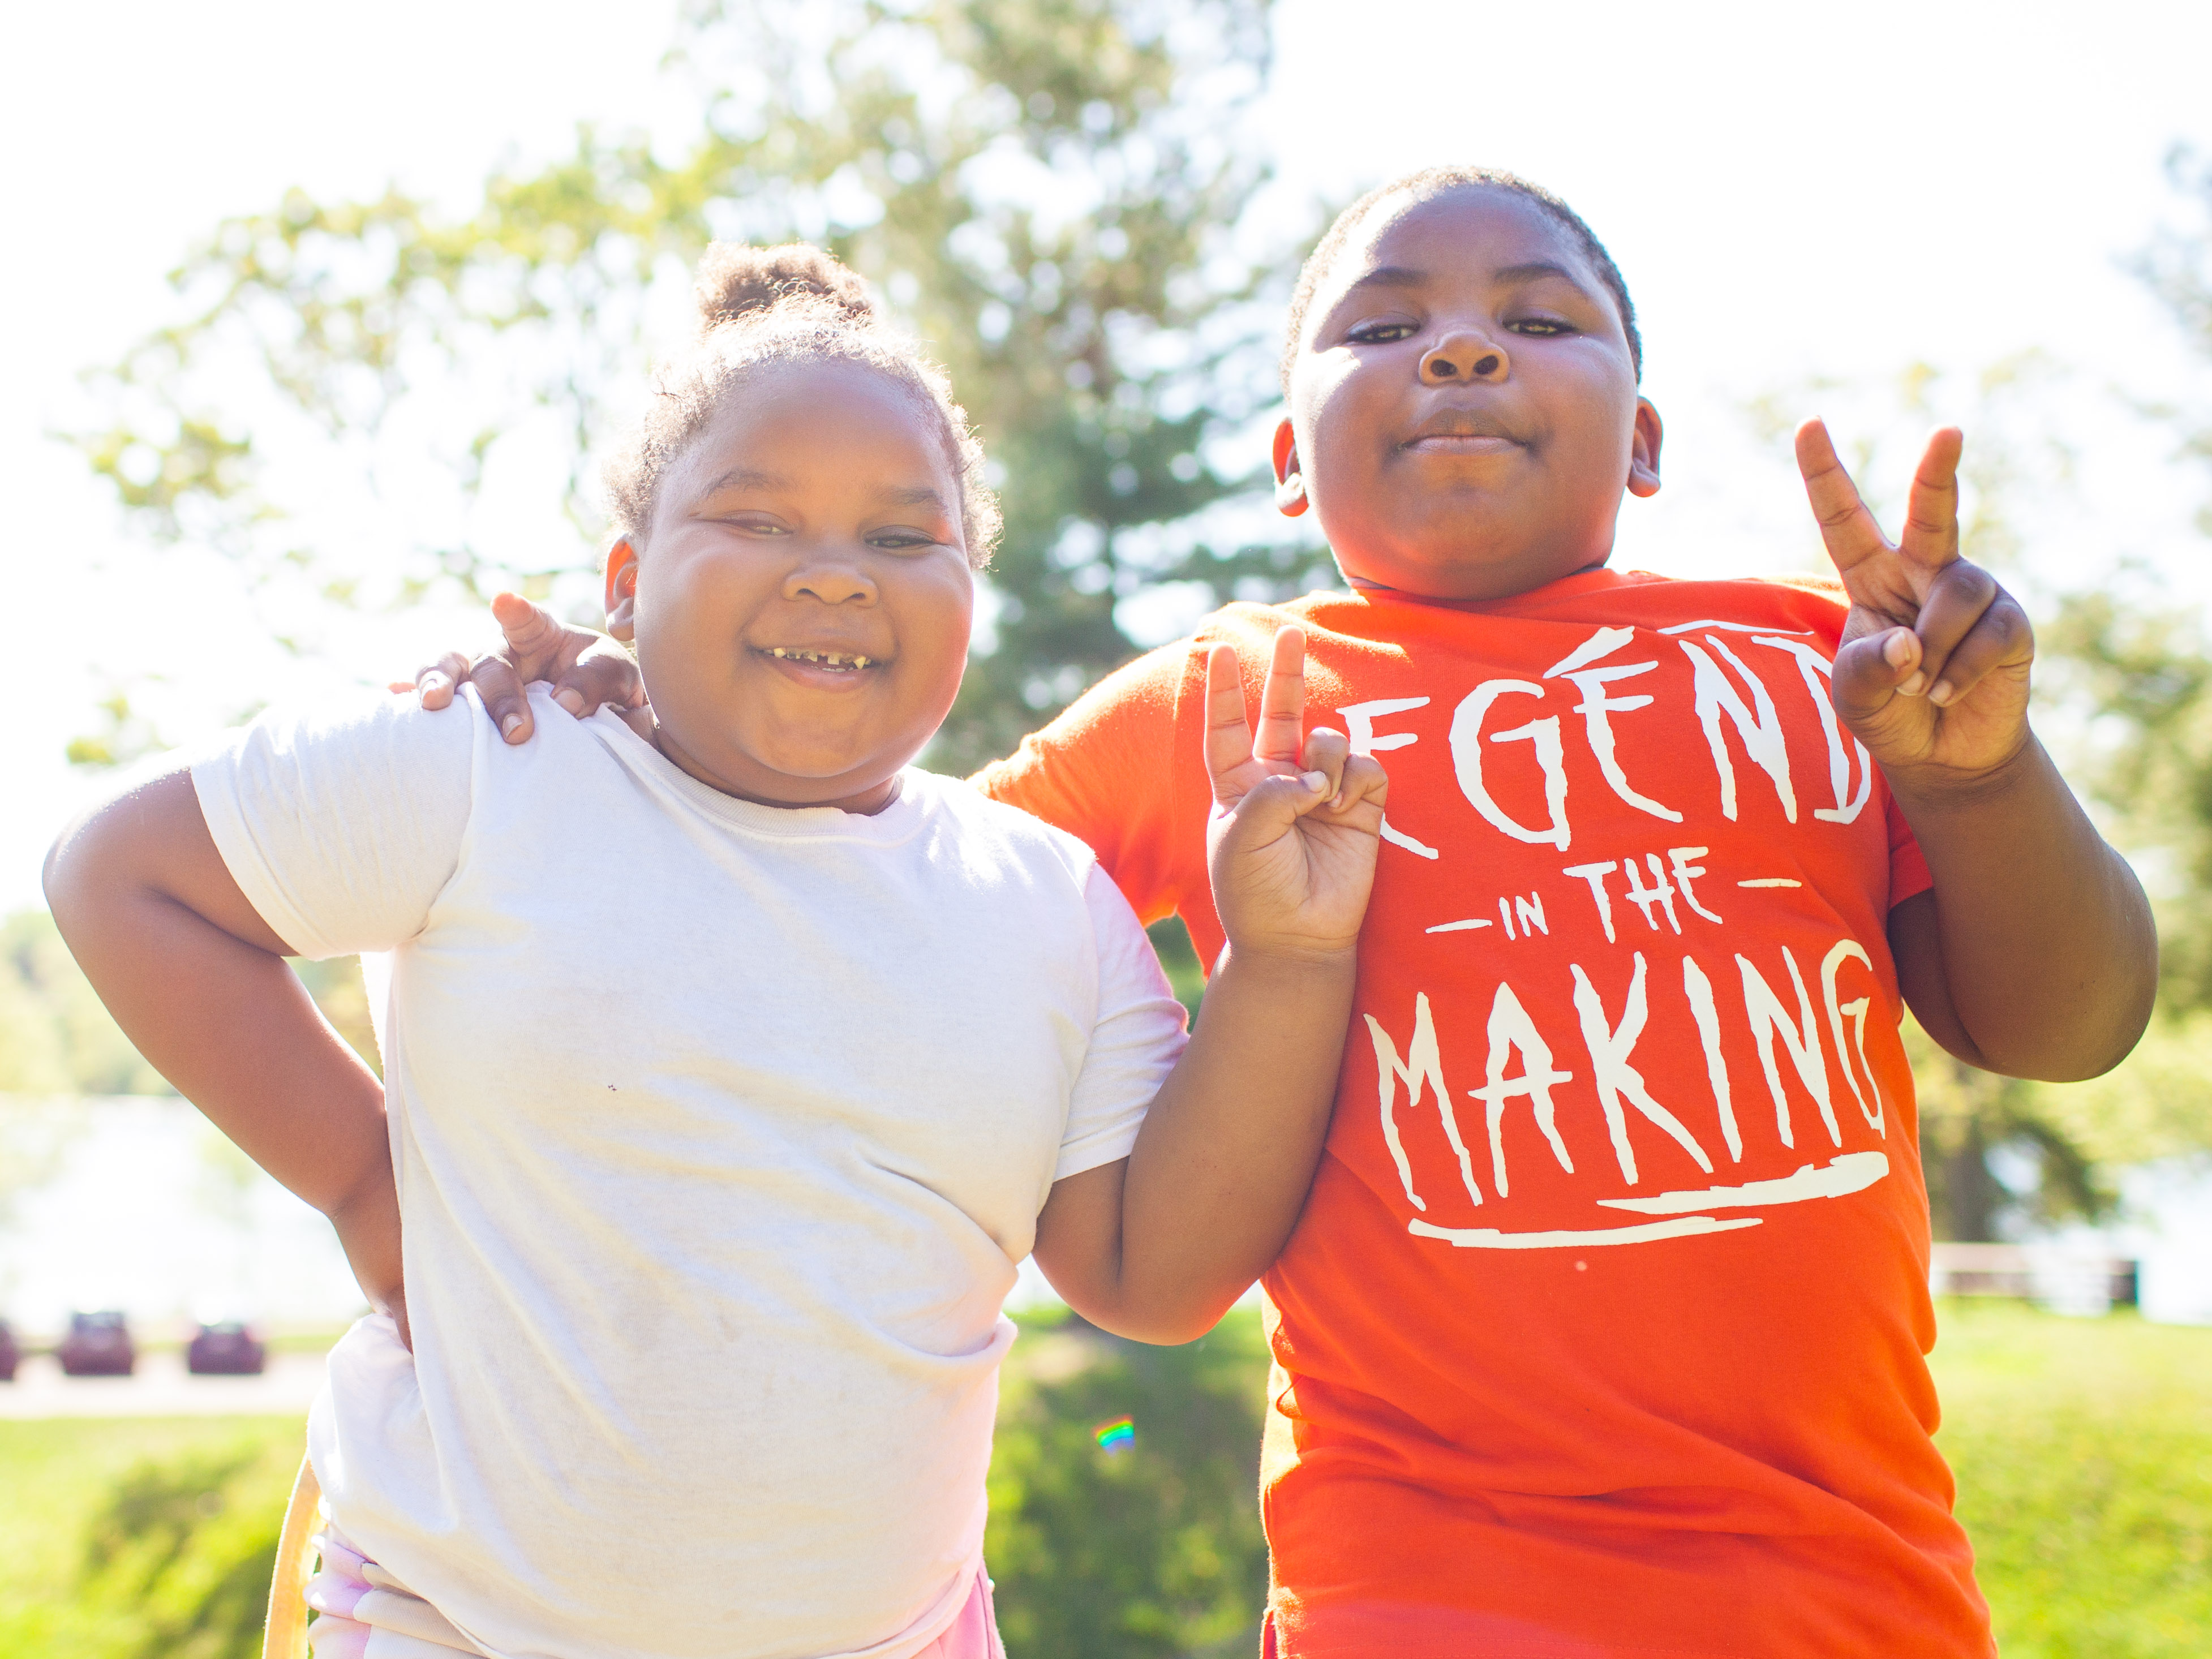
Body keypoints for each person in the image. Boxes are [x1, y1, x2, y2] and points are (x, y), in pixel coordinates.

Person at [410, 171, 2157, 1656]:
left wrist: (1976, 778)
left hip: (1849, 1591)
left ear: (1639, 439)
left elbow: (2063, 1026)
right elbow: (863, 871)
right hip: (1416, 1586)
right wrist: (652, 698)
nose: (1460, 344)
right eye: (1381, 323)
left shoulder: (1818, 663)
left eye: (1535, 318)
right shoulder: (1221, 705)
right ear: (1280, 462)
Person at [43, 244, 1389, 1659]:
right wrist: (366, 1179)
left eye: (899, 537)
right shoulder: (494, 761)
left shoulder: (1043, 902)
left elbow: (1148, 1276)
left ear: (968, 585)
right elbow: (118, 874)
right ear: (624, 581)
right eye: (756, 519)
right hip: (458, 1626)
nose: (831, 577)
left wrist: (1287, 957)